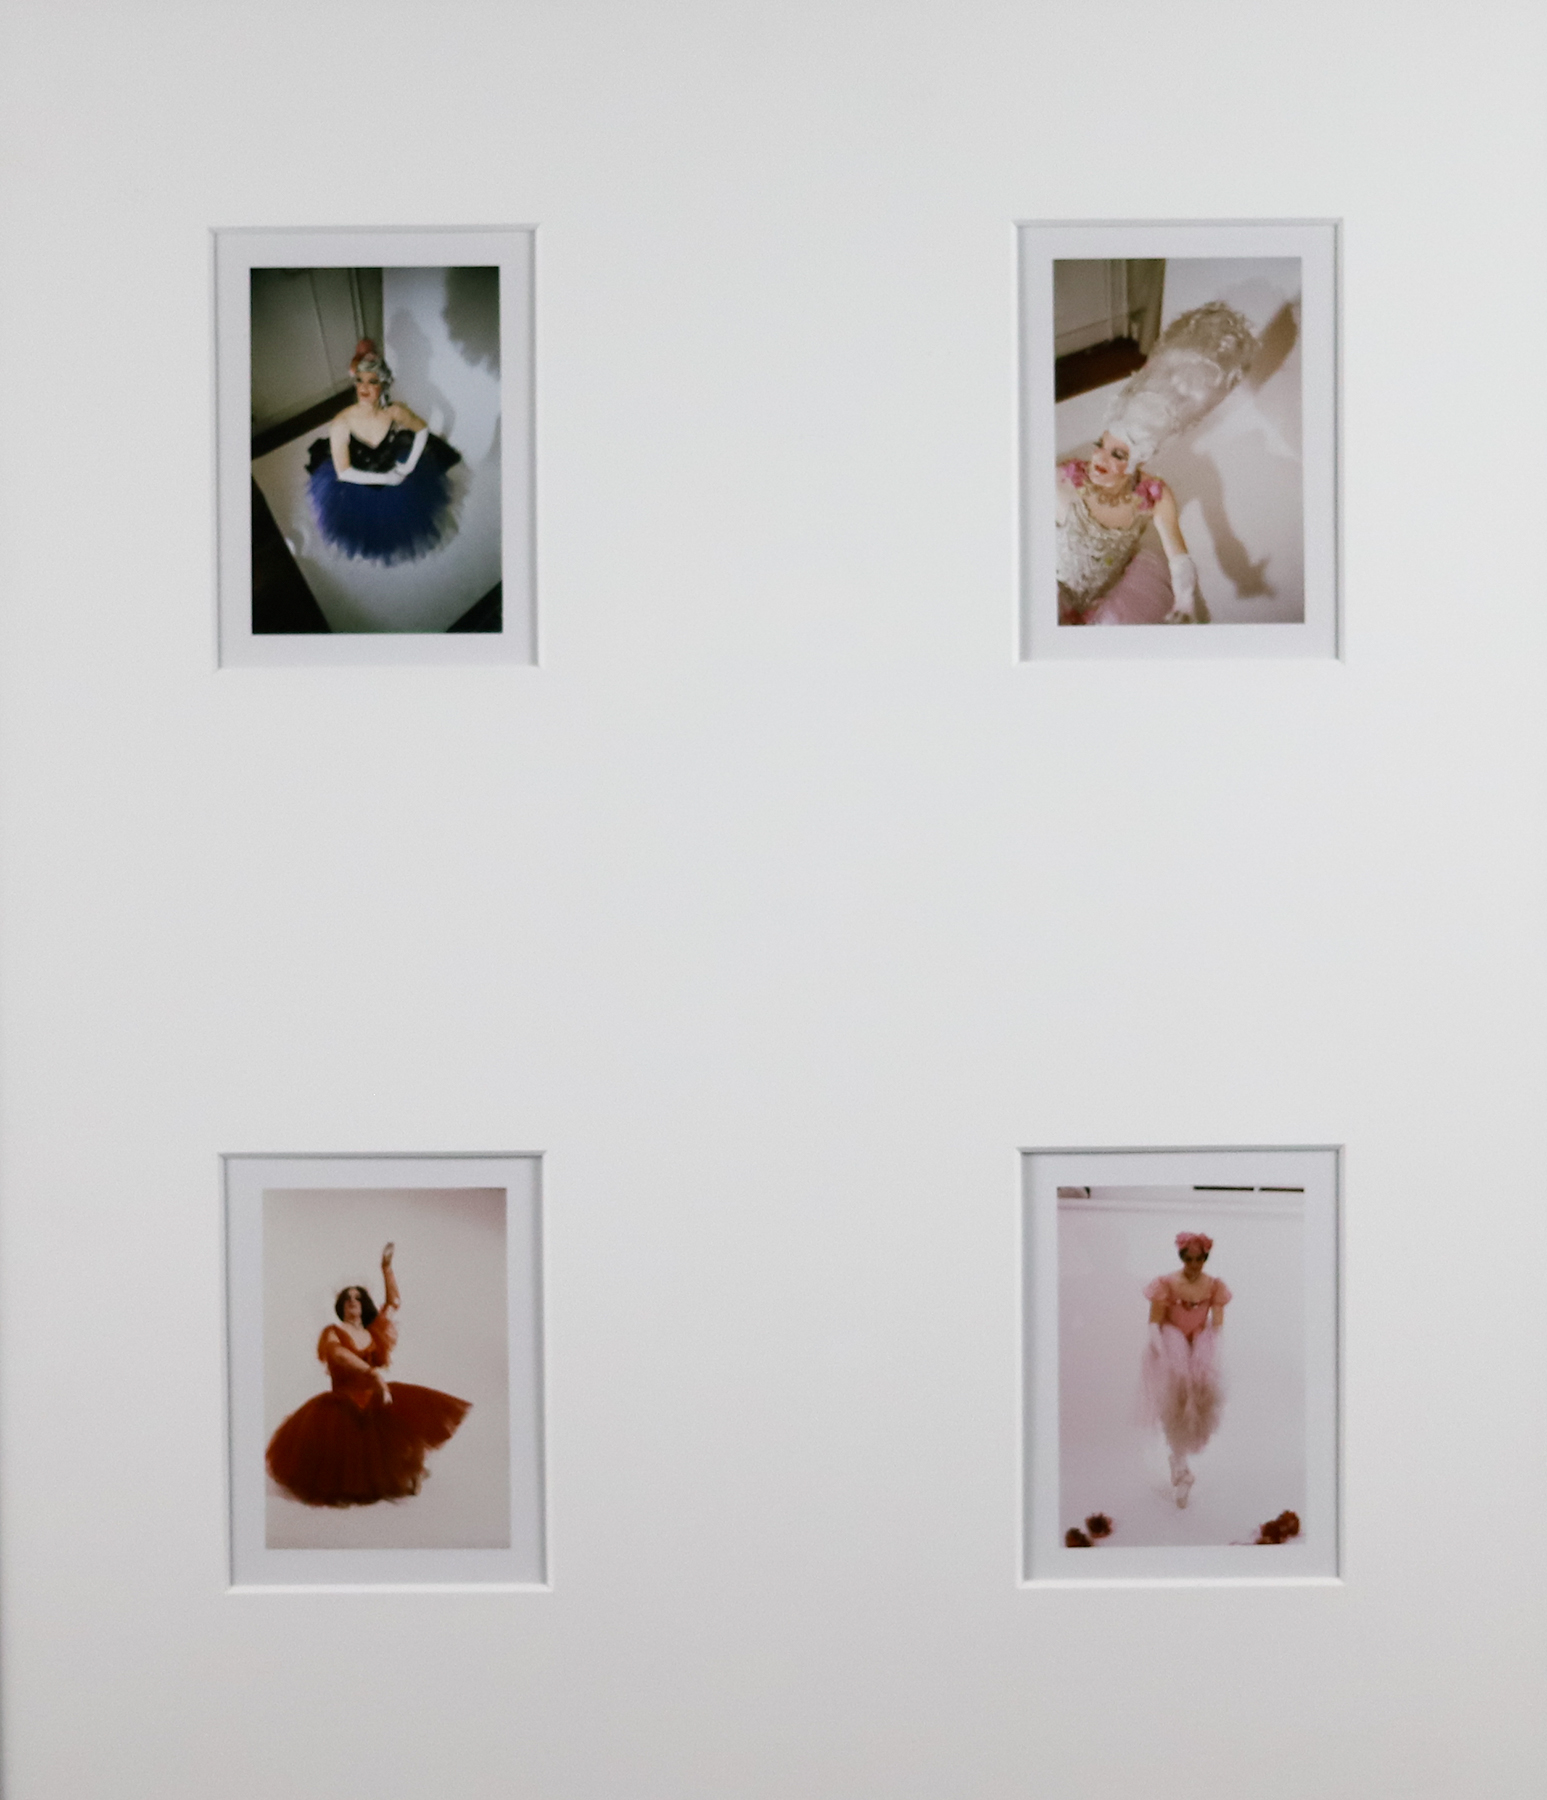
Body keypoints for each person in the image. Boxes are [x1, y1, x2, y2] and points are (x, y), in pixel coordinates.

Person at [1056, 302, 1257, 626]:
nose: (1098, 459)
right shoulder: (1064, 480)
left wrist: (1185, 599)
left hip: (1104, 600)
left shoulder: (1155, 495)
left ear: (1140, 459)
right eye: (1100, 446)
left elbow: (1179, 554)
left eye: (1117, 454)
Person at [266, 1242, 471, 1509]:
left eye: (358, 1297)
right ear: (342, 1306)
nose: (353, 1301)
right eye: (348, 1298)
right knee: (351, 1441)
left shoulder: (373, 1333)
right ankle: (363, 1483)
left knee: (407, 1411)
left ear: (364, 1305)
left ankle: (404, 1473)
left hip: (375, 1392)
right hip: (343, 1400)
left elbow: (394, 1303)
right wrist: (373, 1374)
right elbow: (338, 1355)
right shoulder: (333, 1331)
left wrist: (386, 1269)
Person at [304, 339, 462, 565]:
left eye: (372, 381)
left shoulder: (395, 411)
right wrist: (386, 478)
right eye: (359, 380)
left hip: (391, 464)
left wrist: (407, 467)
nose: (363, 388)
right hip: (360, 479)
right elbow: (344, 472)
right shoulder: (342, 423)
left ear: (384, 384)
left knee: (407, 514)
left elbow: (422, 430)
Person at [1141, 1232, 1231, 1508]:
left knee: (1198, 1396)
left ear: (1205, 1258)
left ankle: (1180, 1462)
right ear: (1181, 1258)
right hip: (1171, 1342)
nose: (1194, 1265)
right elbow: (1154, 1322)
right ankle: (1180, 1466)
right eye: (1188, 1259)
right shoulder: (1167, 1284)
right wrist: (1165, 1355)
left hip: (1198, 1346)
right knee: (1175, 1398)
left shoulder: (1214, 1286)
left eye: (1199, 1259)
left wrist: (1207, 1353)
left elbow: (1216, 1326)